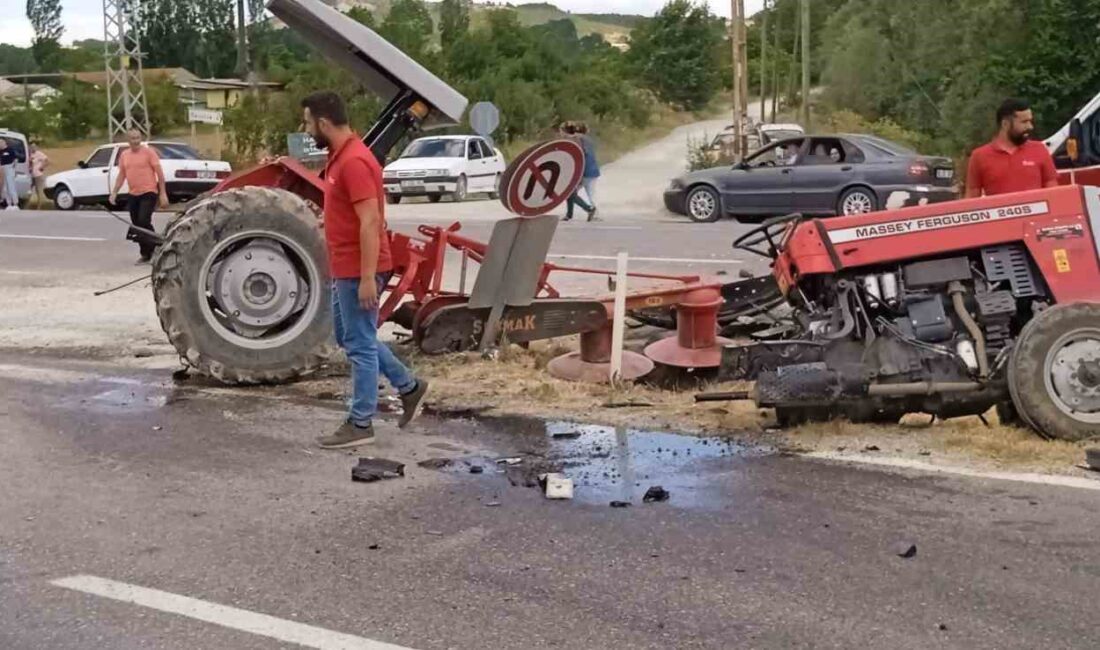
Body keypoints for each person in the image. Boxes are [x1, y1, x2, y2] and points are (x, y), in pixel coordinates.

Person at [301, 91, 429, 449]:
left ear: (324, 123)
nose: (306, 129)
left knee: (359, 344)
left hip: (360, 270)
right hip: (345, 268)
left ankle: (360, 423)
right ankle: (409, 386)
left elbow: (370, 222)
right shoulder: (340, 158)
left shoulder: (355, 162)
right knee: (352, 337)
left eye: (308, 122)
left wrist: (369, 278)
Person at [965, 97, 1058, 198]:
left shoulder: (1039, 149)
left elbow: (1053, 192)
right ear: (1005, 124)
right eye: (1024, 122)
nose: (1030, 127)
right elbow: (971, 198)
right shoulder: (979, 156)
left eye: (1030, 121)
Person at [109, 129, 168, 263]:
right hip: (133, 194)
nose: (136, 141)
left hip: (149, 192)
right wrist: (114, 192)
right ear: (128, 140)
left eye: (138, 138)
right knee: (137, 225)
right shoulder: (124, 155)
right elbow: (122, 175)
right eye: (133, 138)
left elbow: (160, 174)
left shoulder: (149, 152)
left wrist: (163, 194)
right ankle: (146, 254)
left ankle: (156, 246)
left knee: (143, 221)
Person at [560, 122, 595, 222]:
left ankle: (589, 209)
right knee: (570, 192)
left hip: (573, 170)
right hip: (577, 169)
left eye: (561, 130)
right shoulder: (577, 139)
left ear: (564, 131)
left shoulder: (570, 141)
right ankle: (569, 215)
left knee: (570, 193)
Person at [577, 122, 601, 221]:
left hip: (585, 171)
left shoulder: (578, 139)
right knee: (591, 193)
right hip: (593, 169)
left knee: (572, 194)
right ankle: (595, 213)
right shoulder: (589, 140)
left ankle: (589, 210)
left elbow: (581, 155)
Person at [0, 139, 19, 211]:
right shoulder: (0, 151)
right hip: (2, 168)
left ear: (4, 143)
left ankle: (15, 203)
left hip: (10, 168)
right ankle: (9, 204)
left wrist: (15, 169)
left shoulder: (10, 150)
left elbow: (15, 159)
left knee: (11, 186)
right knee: (5, 188)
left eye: (1, 143)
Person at [29, 142, 49, 209]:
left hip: (38, 175)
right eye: (31, 147)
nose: (33, 148)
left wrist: (42, 167)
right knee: (30, 189)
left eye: (34, 147)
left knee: (39, 190)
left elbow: (46, 160)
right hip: (31, 175)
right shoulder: (30, 154)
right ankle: (29, 204)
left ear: (36, 147)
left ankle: (40, 206)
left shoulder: (39, 154)